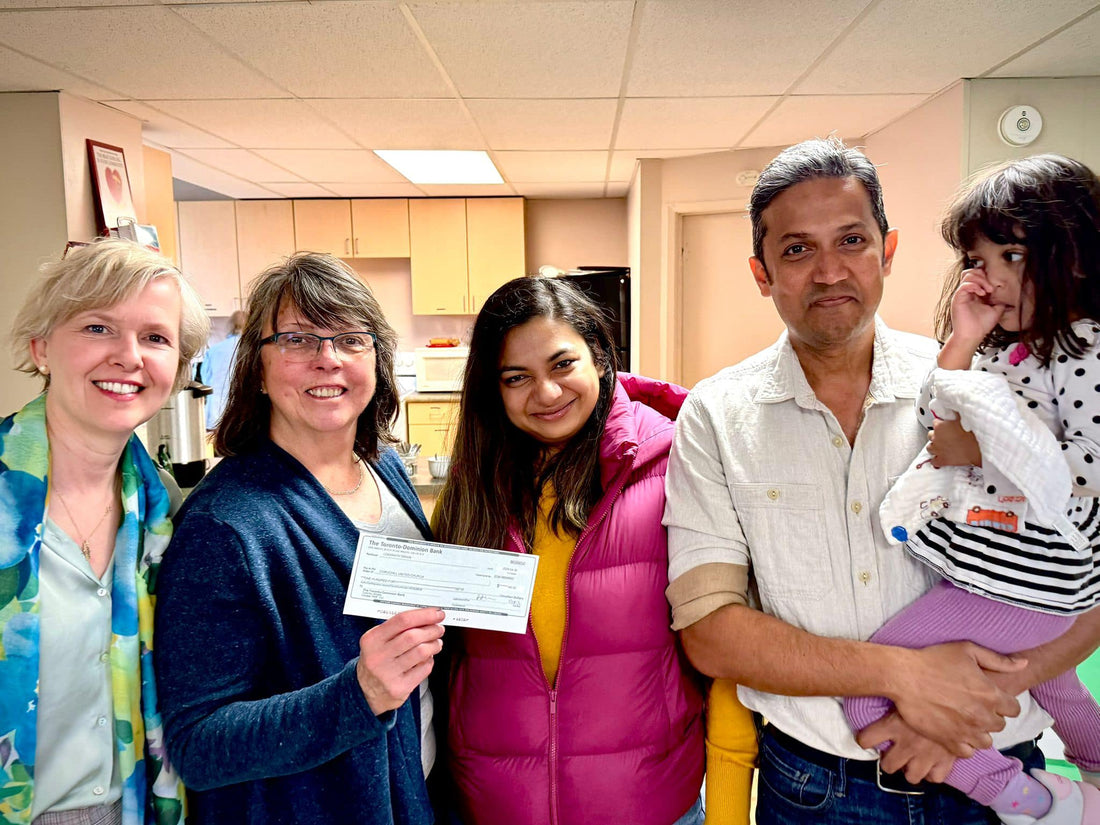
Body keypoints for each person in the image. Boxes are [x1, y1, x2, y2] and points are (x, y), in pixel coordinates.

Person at [663, 137, 1100, 825]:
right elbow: (711, 632)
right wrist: (903, 677)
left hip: (998, 770)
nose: (830, 270)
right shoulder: (715, 417)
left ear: (887, 251)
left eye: (852, 240)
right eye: (797, 249)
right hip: (814, 790)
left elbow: (1084, 580)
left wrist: (945, 721)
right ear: (761, 270)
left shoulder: (984, 386)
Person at [432, 276, 755, 825]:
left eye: (563, 365)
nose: (548, 394)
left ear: (600, 359)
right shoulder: (473, 488)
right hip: (492, 807)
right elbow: (447, 662)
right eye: (517, 377)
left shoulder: (677, 468)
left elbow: (725, 662)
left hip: (649, 807)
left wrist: (727, 810)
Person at [845, 154, 1100, 824]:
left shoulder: (1083, 348)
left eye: (1010, 253)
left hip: (1029, 580)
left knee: (862, 695)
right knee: (1059, 683)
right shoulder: (1010, 350)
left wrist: (977, 447)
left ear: (1073, 254)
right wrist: (964, 339)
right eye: (976, 258)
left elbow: (1090, 468)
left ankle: (1025, 797)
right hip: (1005, 571)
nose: (986, 276)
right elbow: (941, 409)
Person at [153, 253, 445, 824]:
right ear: (256, 369)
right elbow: (199, 745)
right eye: (297, 339)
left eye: (351, 339)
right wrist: (357, 695)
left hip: (411, 793)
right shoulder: (225, 527)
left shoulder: (384, 468)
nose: (328, 360)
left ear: (378, 360)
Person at [0, 239, 209, 825]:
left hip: (135, 810)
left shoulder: (166, 512)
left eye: (156, 338)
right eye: (97, 328)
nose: (128, 356)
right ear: (41, 348)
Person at [199, 308, 246, 430]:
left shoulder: (214, 351)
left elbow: (205, 379)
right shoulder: (252, 350)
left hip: (217, 414)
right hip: (244, 417)